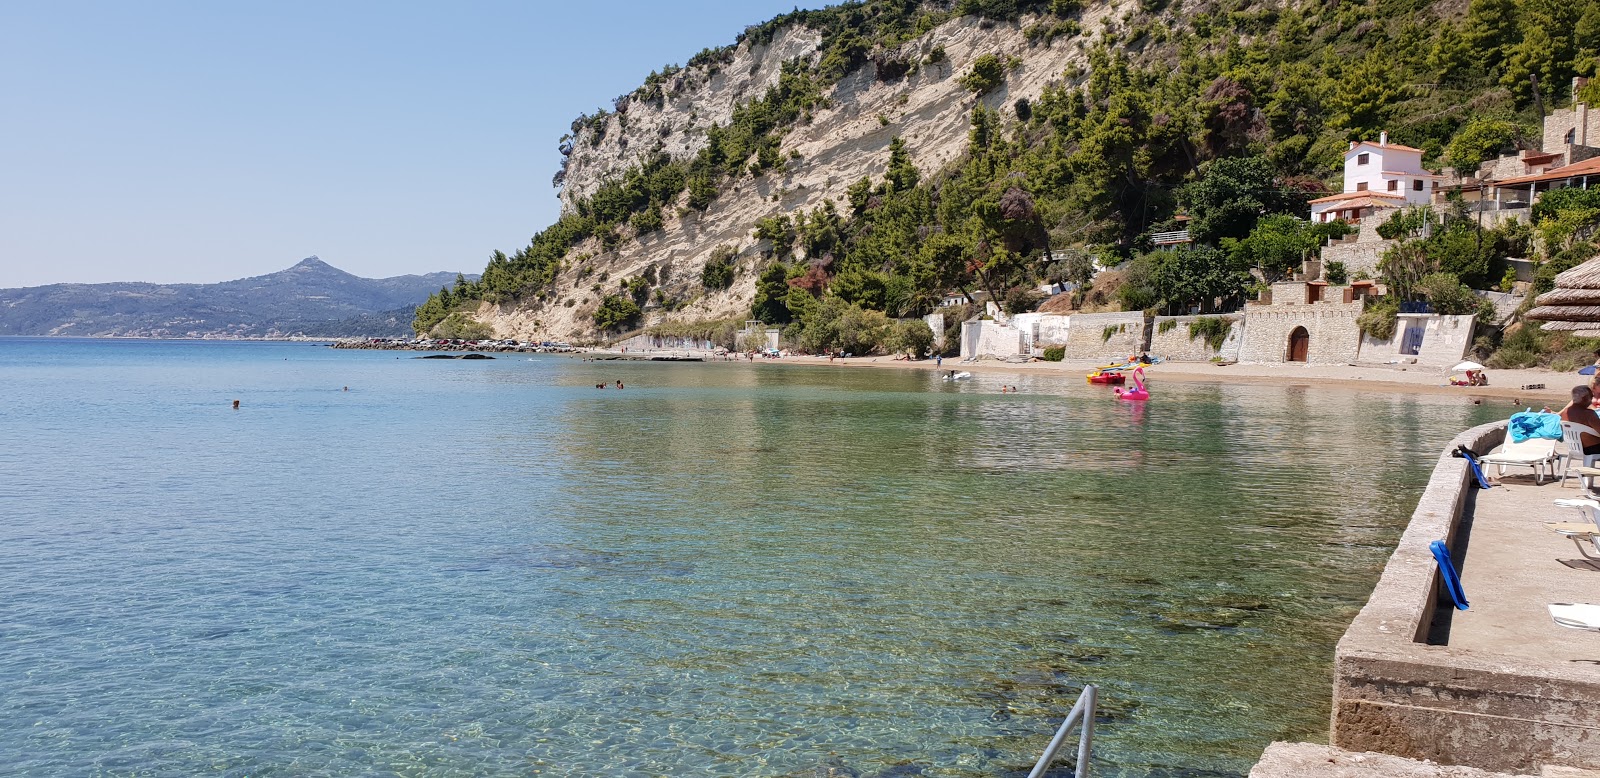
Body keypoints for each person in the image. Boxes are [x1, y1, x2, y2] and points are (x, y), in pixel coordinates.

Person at [1560, 385, 1600, 455]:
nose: (1591, 400)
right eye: (1591, 397)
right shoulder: (1589, 414)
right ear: (1585, 398)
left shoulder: (1565, 412)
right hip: (1592, 448)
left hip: (1574, 448)